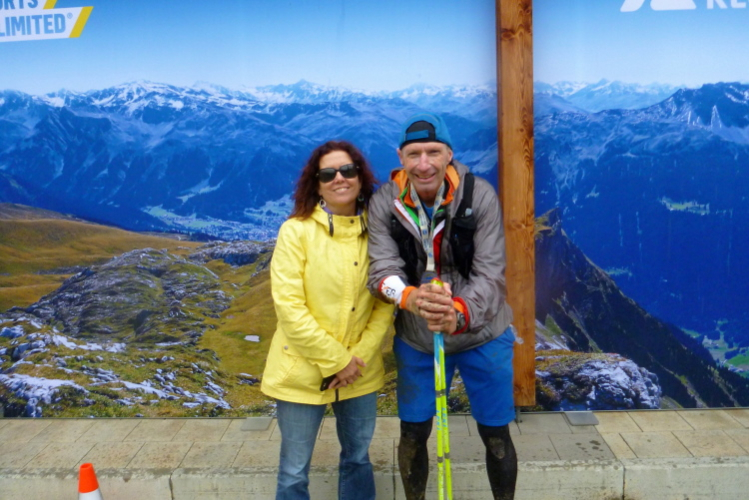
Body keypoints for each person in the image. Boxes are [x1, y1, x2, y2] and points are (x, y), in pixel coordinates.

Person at [367, 113, 518, 500]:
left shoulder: (478, 196)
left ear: (449, 154)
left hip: (483, 333)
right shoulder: (385, 202)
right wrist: (410, 298)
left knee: (495, 434)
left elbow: (491, 275)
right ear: (400, 157)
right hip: (418, 337)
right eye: (414, 154)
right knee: (413, 432)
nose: (424, 164)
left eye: (433, 152)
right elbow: (381, 269)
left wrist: (458, 313)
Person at [261, 140, 395, 500]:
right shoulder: (296, 231)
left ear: (360, 178)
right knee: (294, 471)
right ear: (316, 185)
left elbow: (385, 303)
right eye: (328, 174)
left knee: (358, 459)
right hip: (302, 371)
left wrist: (356, 360)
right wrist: (339, 361)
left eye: (347, 170)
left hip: (360, 372)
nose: (339, 178)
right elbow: (289, 308)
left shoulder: (379, 233)